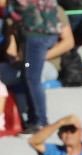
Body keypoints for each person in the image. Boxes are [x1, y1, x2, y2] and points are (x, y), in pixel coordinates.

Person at [9, 0, 63, 130]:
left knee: (32, 77)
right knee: (30, 76)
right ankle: (36, 119)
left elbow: (16, 12)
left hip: (36, 33)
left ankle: (40, 120)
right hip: (43, 32)